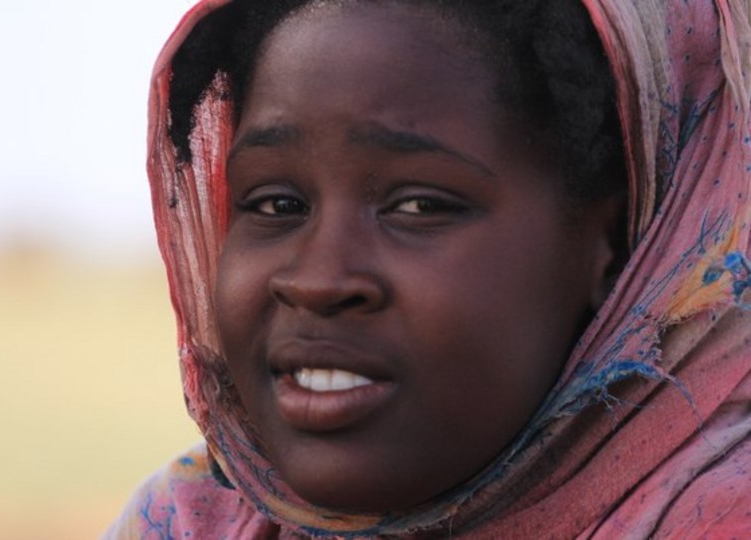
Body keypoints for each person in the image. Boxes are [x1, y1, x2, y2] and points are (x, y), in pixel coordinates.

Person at [106, 0, 751, 537]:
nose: (318, 281)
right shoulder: (191, 522)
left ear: (614, 246)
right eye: (278, 204)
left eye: (418, 205)